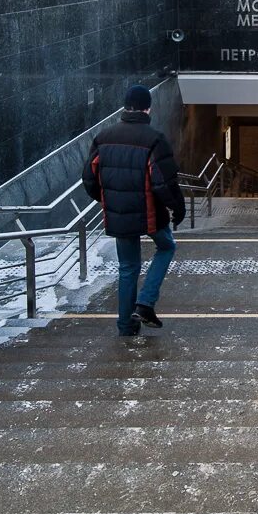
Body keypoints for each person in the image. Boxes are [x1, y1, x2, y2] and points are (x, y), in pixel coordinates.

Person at [81, 84, 186, 336]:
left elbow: (89, 178)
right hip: (150, 212)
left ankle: (126, 325)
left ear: (125, 107)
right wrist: (177, 207)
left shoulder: (103, 137)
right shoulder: (154, 139)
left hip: (119, 215)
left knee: (128, 267)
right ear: (147, 108)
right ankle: (146, 303)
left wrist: (109, 201)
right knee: (166, 246)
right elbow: (164, 181)